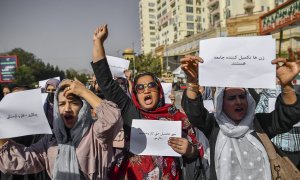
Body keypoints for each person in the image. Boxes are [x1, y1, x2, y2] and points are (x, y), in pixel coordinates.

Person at [91, 24, 208, 179]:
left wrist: (189, 150)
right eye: (140, 87)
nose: (146, 90)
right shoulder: (131, 112)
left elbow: (196, 150)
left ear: (159, 91)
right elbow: (106, 82)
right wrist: (98, 43)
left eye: (151, 85)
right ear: (135, 94)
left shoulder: (175, 116)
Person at [180, 50, 300, 179]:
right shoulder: (214, 126)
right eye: (231, 98)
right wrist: (192, 82)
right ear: (221, 102)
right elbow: (194, 112)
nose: (239, 102)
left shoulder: (259, 125)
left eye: (242, 96)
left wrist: (286, 86)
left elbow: (288, 115)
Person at [0, 79, 122, 180]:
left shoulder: (96, 133)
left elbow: (113, 117)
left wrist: (84, 92)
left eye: (73, 103)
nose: (67, 109)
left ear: (83, 107)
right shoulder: (51, 140)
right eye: (62, 104)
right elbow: (24, 161)